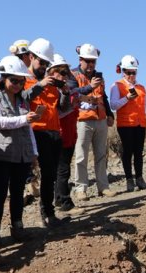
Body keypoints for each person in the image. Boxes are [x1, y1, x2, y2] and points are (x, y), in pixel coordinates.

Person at [0, 56, 39, 247]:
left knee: (18, 192)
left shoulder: (22, 100)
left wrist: (34, 152)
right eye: (13, 80)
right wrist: (24, 119)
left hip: (22, 153)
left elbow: (29, 128)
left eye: (21, 81)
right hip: (1, 153)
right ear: (4, 78)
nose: (17, 84)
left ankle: (18, 227)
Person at [22, 38, 72, 228]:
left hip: (53, 132)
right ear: (31, 57)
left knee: (50, 175)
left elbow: (61, 109)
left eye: (46, 63)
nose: (43, 66)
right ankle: (20, 222)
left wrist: (66, 93)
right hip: (35, 133)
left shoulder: (52, 84)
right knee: (30, 176)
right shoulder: (24, 80)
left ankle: (48, 213)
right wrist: (40, 85)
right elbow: (22, 100)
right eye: (40, 62)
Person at [72, 43, 116, 199]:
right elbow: (72, 92)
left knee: (101, 155)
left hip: (100, 119)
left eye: (93, 61)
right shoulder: (73, 75)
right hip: (82, 120)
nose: (90, 64)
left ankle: (103, 187)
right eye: (87, 60)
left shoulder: (99, 77)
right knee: (81, 155)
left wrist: (110, 114)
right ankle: (80, 188)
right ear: (80, 60)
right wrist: (89, 87)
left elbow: (103, 97)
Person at [51, 54, 84, 216]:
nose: (65, 75)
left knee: (62, 170)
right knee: (63, 170)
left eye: (66, 72)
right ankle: (65, 202)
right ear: (52, 72)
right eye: (61, 72)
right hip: (61, 134)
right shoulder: (52, 91)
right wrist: (72, 107)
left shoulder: (66, 89)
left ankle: (59, 198)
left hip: (69, 133)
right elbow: (56, 113)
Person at [112, 55, 146, 191]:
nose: (131, 75)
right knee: (128, 152)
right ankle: (129, 180)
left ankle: (139, 178)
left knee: (138, 152)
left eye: (134, 72)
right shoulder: (117, 86)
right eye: (129, 72)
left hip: (140, 124)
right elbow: (113, 105)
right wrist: (126, 98)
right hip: (126, 124)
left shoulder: (141, 87)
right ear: (123, 71)